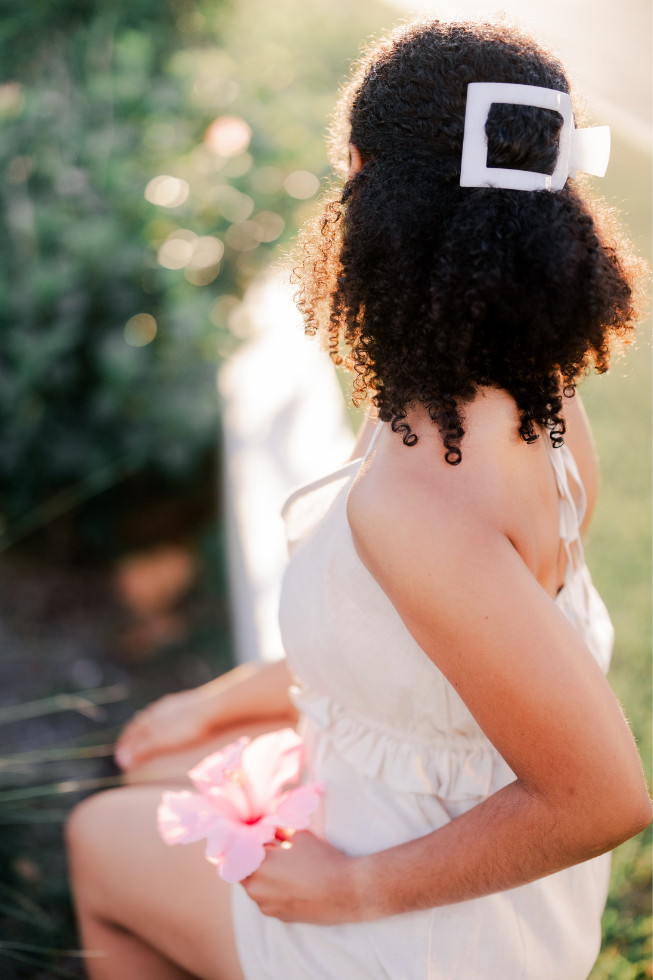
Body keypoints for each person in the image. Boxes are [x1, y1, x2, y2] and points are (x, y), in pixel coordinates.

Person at [66, 18, 651, 980]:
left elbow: (603, 798)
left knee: (97, 837)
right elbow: (420, 644)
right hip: (448, 817)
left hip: (430, 930)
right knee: (157, 762)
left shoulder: (421, 499)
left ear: (368, 183)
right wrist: (219, 702)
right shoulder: (530, 398)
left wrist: (348, 890)